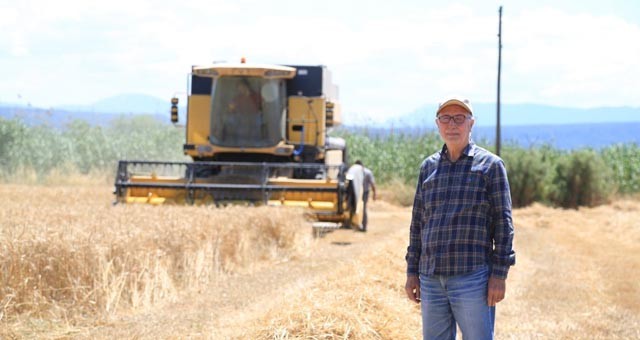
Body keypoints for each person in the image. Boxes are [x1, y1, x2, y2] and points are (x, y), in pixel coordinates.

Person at [404, 96, 515, 339]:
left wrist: (499, 275)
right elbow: (417, 224)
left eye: (459, 118)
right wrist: (412, 271)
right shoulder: (428, 167)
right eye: (446, 118)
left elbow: (503, 225)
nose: (452, 124)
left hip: (472, 277)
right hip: (431, 279)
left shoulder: (491, 166)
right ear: (437, 124)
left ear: (471, 123)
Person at [354, 160, 376, 231]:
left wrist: (374, 194)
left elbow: (372, 184)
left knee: (363, 209)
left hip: (365, 193)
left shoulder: (368, 173)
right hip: (355, 192)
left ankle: (364, 226)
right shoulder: (355, 173)